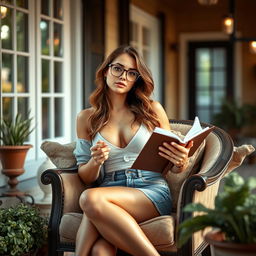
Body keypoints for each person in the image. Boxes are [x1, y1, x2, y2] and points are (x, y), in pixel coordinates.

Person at [73, 45, 193, 256]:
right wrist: (96, 161)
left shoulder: (152, 110)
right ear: (106, 70)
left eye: (132, 73)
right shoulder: (86, 118)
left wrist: (180, 162)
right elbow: (85, 176)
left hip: (150, 190)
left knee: (89, 199)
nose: (123, 77)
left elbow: (173, 167)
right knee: (101, 251)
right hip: (109, 189)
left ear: (137, 78)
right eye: (118, 68)